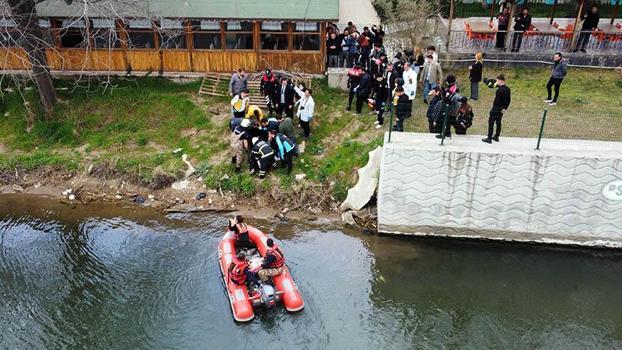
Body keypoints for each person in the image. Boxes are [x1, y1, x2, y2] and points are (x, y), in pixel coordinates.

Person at [482, 74, 511, 144]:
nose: (496, 81)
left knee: (491, 122)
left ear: (501, 81)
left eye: (497, 80)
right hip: (502, 109)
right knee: (498, 122)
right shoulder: (507, 89)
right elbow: (508, 100)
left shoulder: (499, 90)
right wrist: (504, 108)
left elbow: (497, 101)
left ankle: (489, 138)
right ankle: (496, 136)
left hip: (496, 108)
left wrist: (495, 108)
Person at [435, 75, 461, 139]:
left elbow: (447, 98)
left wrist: (442, 91)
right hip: (451, 106)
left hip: (450, 107)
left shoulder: (452, 89)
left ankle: (443, 134)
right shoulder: (453, 87)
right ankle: (447, 133)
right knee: (448, 121)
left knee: (445, 120)